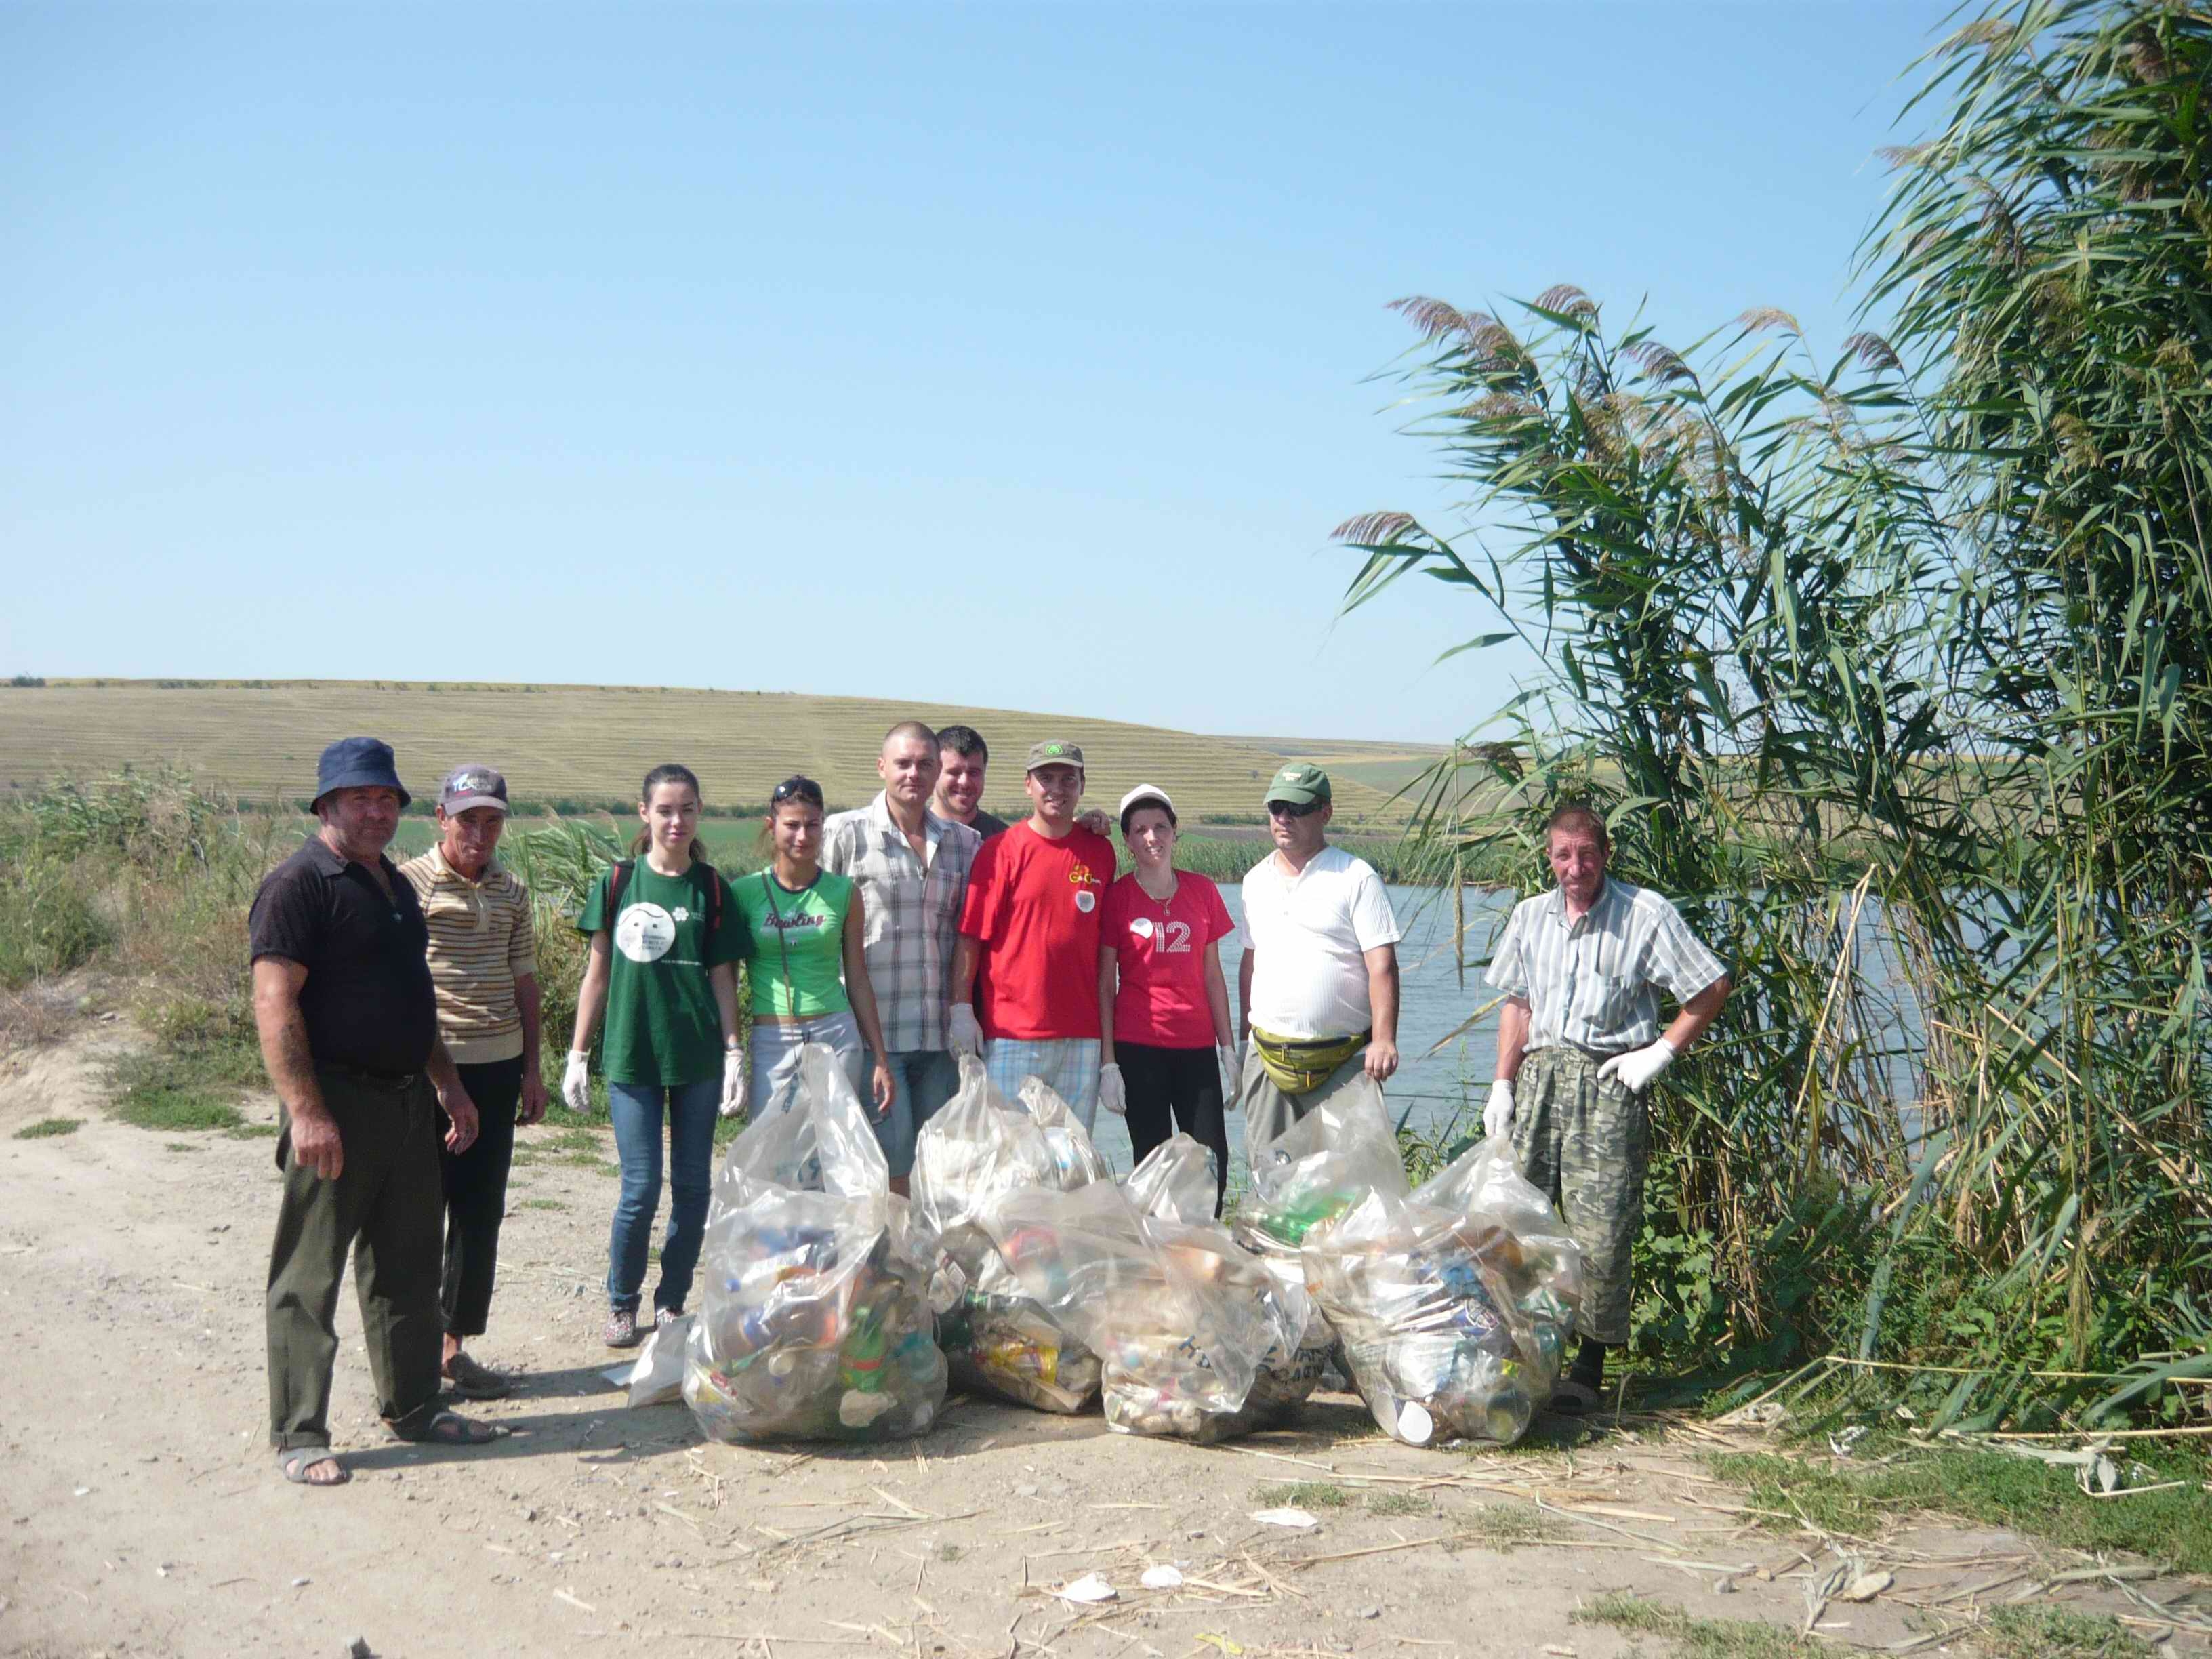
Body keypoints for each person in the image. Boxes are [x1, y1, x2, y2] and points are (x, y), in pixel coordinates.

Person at [249, 737, 499, 1486]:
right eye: (360, 798)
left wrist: (447, 1084)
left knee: (407, 1266)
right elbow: (274, 1001)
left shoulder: (391, 885)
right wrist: (307, 1111)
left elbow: (412, 1001)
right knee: (309, 1275)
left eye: (387, 798)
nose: (376, 809)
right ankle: (300, 1432)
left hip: (404, 1102)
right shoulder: (299, 884)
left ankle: (416, 1406)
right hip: (337, 1102)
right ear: (326, 805)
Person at [1481, 802, 1731, 1413]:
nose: (1576, 868)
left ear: (1606, 853)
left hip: (1609, 1080)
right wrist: (1502, 1084)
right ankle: (1526, 1356)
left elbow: (1712, 986)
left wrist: (1661, 1053)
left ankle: (1587, 1372)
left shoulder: (1645, 915)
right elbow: (1517, 1004)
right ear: (1549, 857)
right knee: (1521, 1223)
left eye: (1587, 854)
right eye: (1564, 856)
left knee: (1602, 1230)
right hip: (1540, 1076)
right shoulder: (1530, 916)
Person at [563, 763, 749, 1349]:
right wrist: (576, 1053)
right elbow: (597, 976)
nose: (677, 820)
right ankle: (622, 1303)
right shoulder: (618, 883)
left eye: (688, 809)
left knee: (694, 1188)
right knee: (640, 1188)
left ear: (700, 814)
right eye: (665, 810)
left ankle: (671, 1303)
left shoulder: (712, 889)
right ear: (644, 814)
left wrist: (734, 1050)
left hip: (696, 1059)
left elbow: (724, 977)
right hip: (632, 1055)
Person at [398, 764, 547, 1402]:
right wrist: (438, 1077)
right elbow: (401, 985)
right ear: (441, 819)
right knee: (417, 1208)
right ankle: (408, 1351)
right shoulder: (407, 886)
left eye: (492, 821)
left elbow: (525, 983)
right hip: (428, 1068)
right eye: (468, 820)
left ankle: (453, 1348)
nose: (480, 834)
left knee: (479, 1209)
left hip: (498, 1065)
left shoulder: (511, 891)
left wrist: (534, 1068)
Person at [822, 722, 984, 1193]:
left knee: (937, 1167)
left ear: (937, 772)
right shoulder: (843, 835)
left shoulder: (963, 844)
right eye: (903, 763)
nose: (914, 773)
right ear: (882, 767)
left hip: (939, 1038)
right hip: (876, 1036)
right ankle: (886, 1262)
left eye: (925, 764)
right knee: (889, 1166)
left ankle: (922, 1262)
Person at [1235, 763, 1404, 1155]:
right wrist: (1244, 1041)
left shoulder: (1356, 876)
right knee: (1271, 1177)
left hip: (1343, 1063)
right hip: (1268, 1060)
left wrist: (1384, 1040)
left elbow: (1383, 966)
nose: (1284, 818)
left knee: (1350, 1181)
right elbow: (1250, 963)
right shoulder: (1254, 880)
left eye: (1296, 808)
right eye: (1276, 807)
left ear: (1325, 813)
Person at [949, 740, 1117, 1128]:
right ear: (1028, 785)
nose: (1056, 788)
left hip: (1082, 1037)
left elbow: (1105, 952)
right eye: (1045, 778)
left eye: (1067, 779)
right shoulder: (1000, 851)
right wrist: (961, 1008)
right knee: (1014, 1162)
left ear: (1082, 784)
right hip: (1013, 1035)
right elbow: (971, 936)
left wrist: (1109, 1059)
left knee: (1072, 1164)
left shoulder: (1101, 853)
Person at [1097, 785, 1239, 1213]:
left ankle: (1206, 1256)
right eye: (1139, 830)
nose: (1151, 837)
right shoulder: (1118, 897)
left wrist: (1228, 1048)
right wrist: (1109, 1063)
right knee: (1153, 1168)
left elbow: (1213, 976)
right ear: (1128, 841)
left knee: (1212, 1164)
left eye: (1160, 826)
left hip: (1196, 1049)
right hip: (1139, 1048)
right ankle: (1159, 1263)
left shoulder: (1203, 891)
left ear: (1176, 832)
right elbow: (1106, 984)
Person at [732, 773, 897, 1126]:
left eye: (813, 825)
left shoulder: (844, 893)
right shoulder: (745, 893)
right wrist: (730, 1048)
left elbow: (856, 975)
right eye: (792, 825)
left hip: (836, 1034)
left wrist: (880, 1057)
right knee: (768, 1148)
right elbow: (727, 976)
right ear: (771, 825)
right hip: (774, 1035)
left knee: (833, 1147)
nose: (803, 836)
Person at [931, 725, 1012, 840]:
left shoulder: (1005, 841)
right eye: (954, 772)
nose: (964, 782)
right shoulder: (912, 836)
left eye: (973, 773)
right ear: (933, 772)